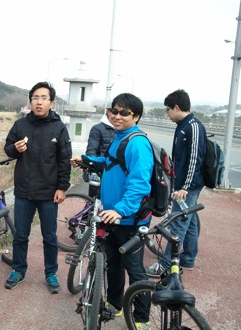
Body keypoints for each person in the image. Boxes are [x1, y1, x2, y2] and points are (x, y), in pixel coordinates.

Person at [71, 93, 153, 330]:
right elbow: (110, 163)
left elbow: (139, 184)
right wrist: (86, 159)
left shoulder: (137, 143)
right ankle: (116, 305)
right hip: (113, 216)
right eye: (113, 111)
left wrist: (120, 210)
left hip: (129, 219)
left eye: (124, 112)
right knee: (113, 264)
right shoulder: (120, 137)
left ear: (136, 117)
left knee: (135, 269)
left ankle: (141, 319)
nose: (117, 116)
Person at [3, 81, 72, 294]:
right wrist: (14, 148)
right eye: (35, 98)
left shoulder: (58, 128)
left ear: (51, 102)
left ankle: (51, 273)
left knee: (49, 236)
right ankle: (18, 269)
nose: (39, 102)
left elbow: (64, 159)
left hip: (49, 193)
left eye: (43, 98)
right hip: (24, 190)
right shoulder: (20, 125)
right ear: (30, 101)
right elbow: (8, 149)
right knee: (21, 234)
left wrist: (62, 188)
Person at [146, 89, 206, 277]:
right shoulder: (182, 125)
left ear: (177, 107)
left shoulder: (193, 126)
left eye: (168, 109)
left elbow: (195, 159)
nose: (167, 113)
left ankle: (165, 265)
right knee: (190, 219)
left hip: (189, 185)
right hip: (182, 184)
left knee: (178, 221)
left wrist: (185, 188)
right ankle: (188, 258)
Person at [84, 111, 116, 197]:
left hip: (113, 171)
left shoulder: (121, 130)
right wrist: (93, 167)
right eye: (115, 111)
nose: (117, 116)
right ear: (108, 112)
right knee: (94, 199)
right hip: (99, 169)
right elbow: (92, 149)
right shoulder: (98, 128)